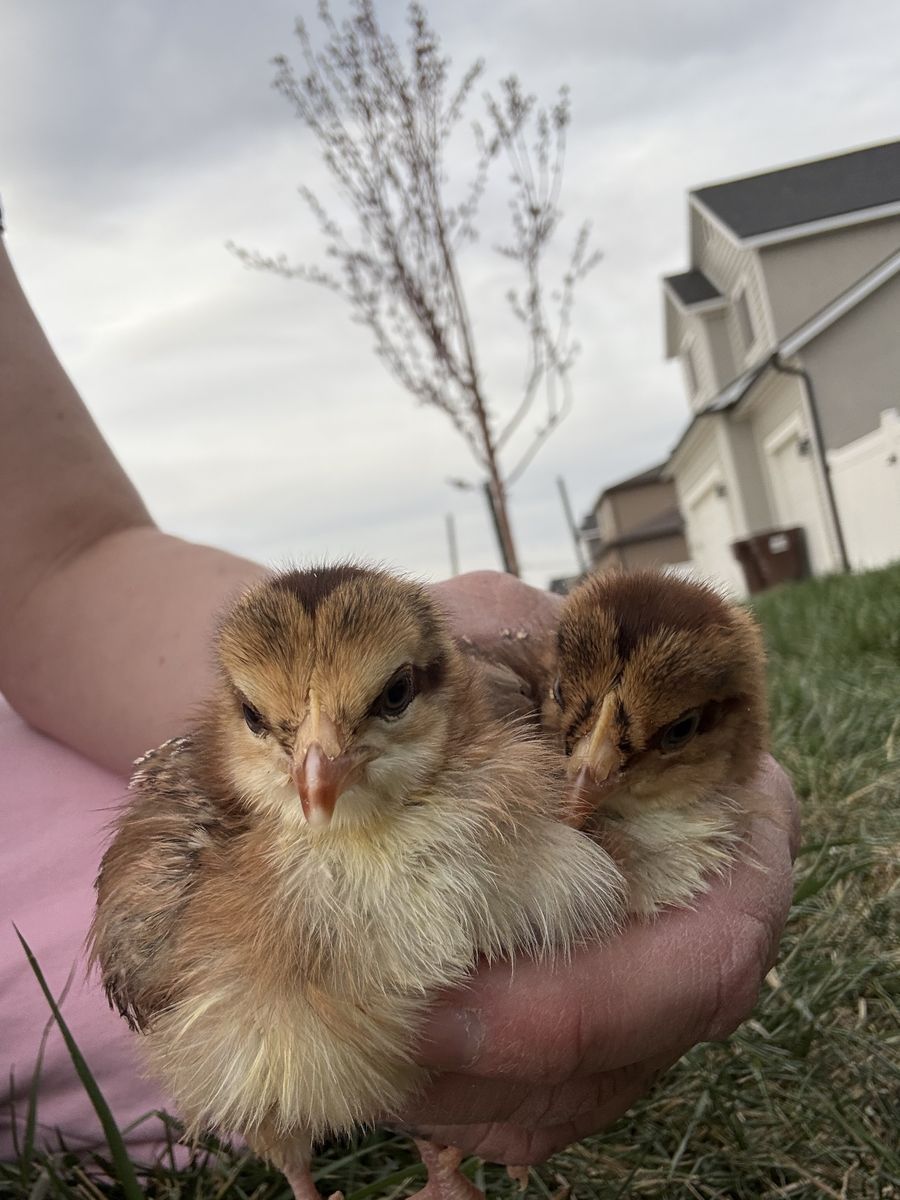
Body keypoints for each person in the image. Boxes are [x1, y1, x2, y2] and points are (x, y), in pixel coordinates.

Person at [0, 210, 799, 1166]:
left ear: (436, 685)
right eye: (269, 722)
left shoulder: (520, 765)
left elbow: (57, 559)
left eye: (385, 699)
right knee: (158, 995)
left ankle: (442, 1152)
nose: (319, 772)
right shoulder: (195, 885)